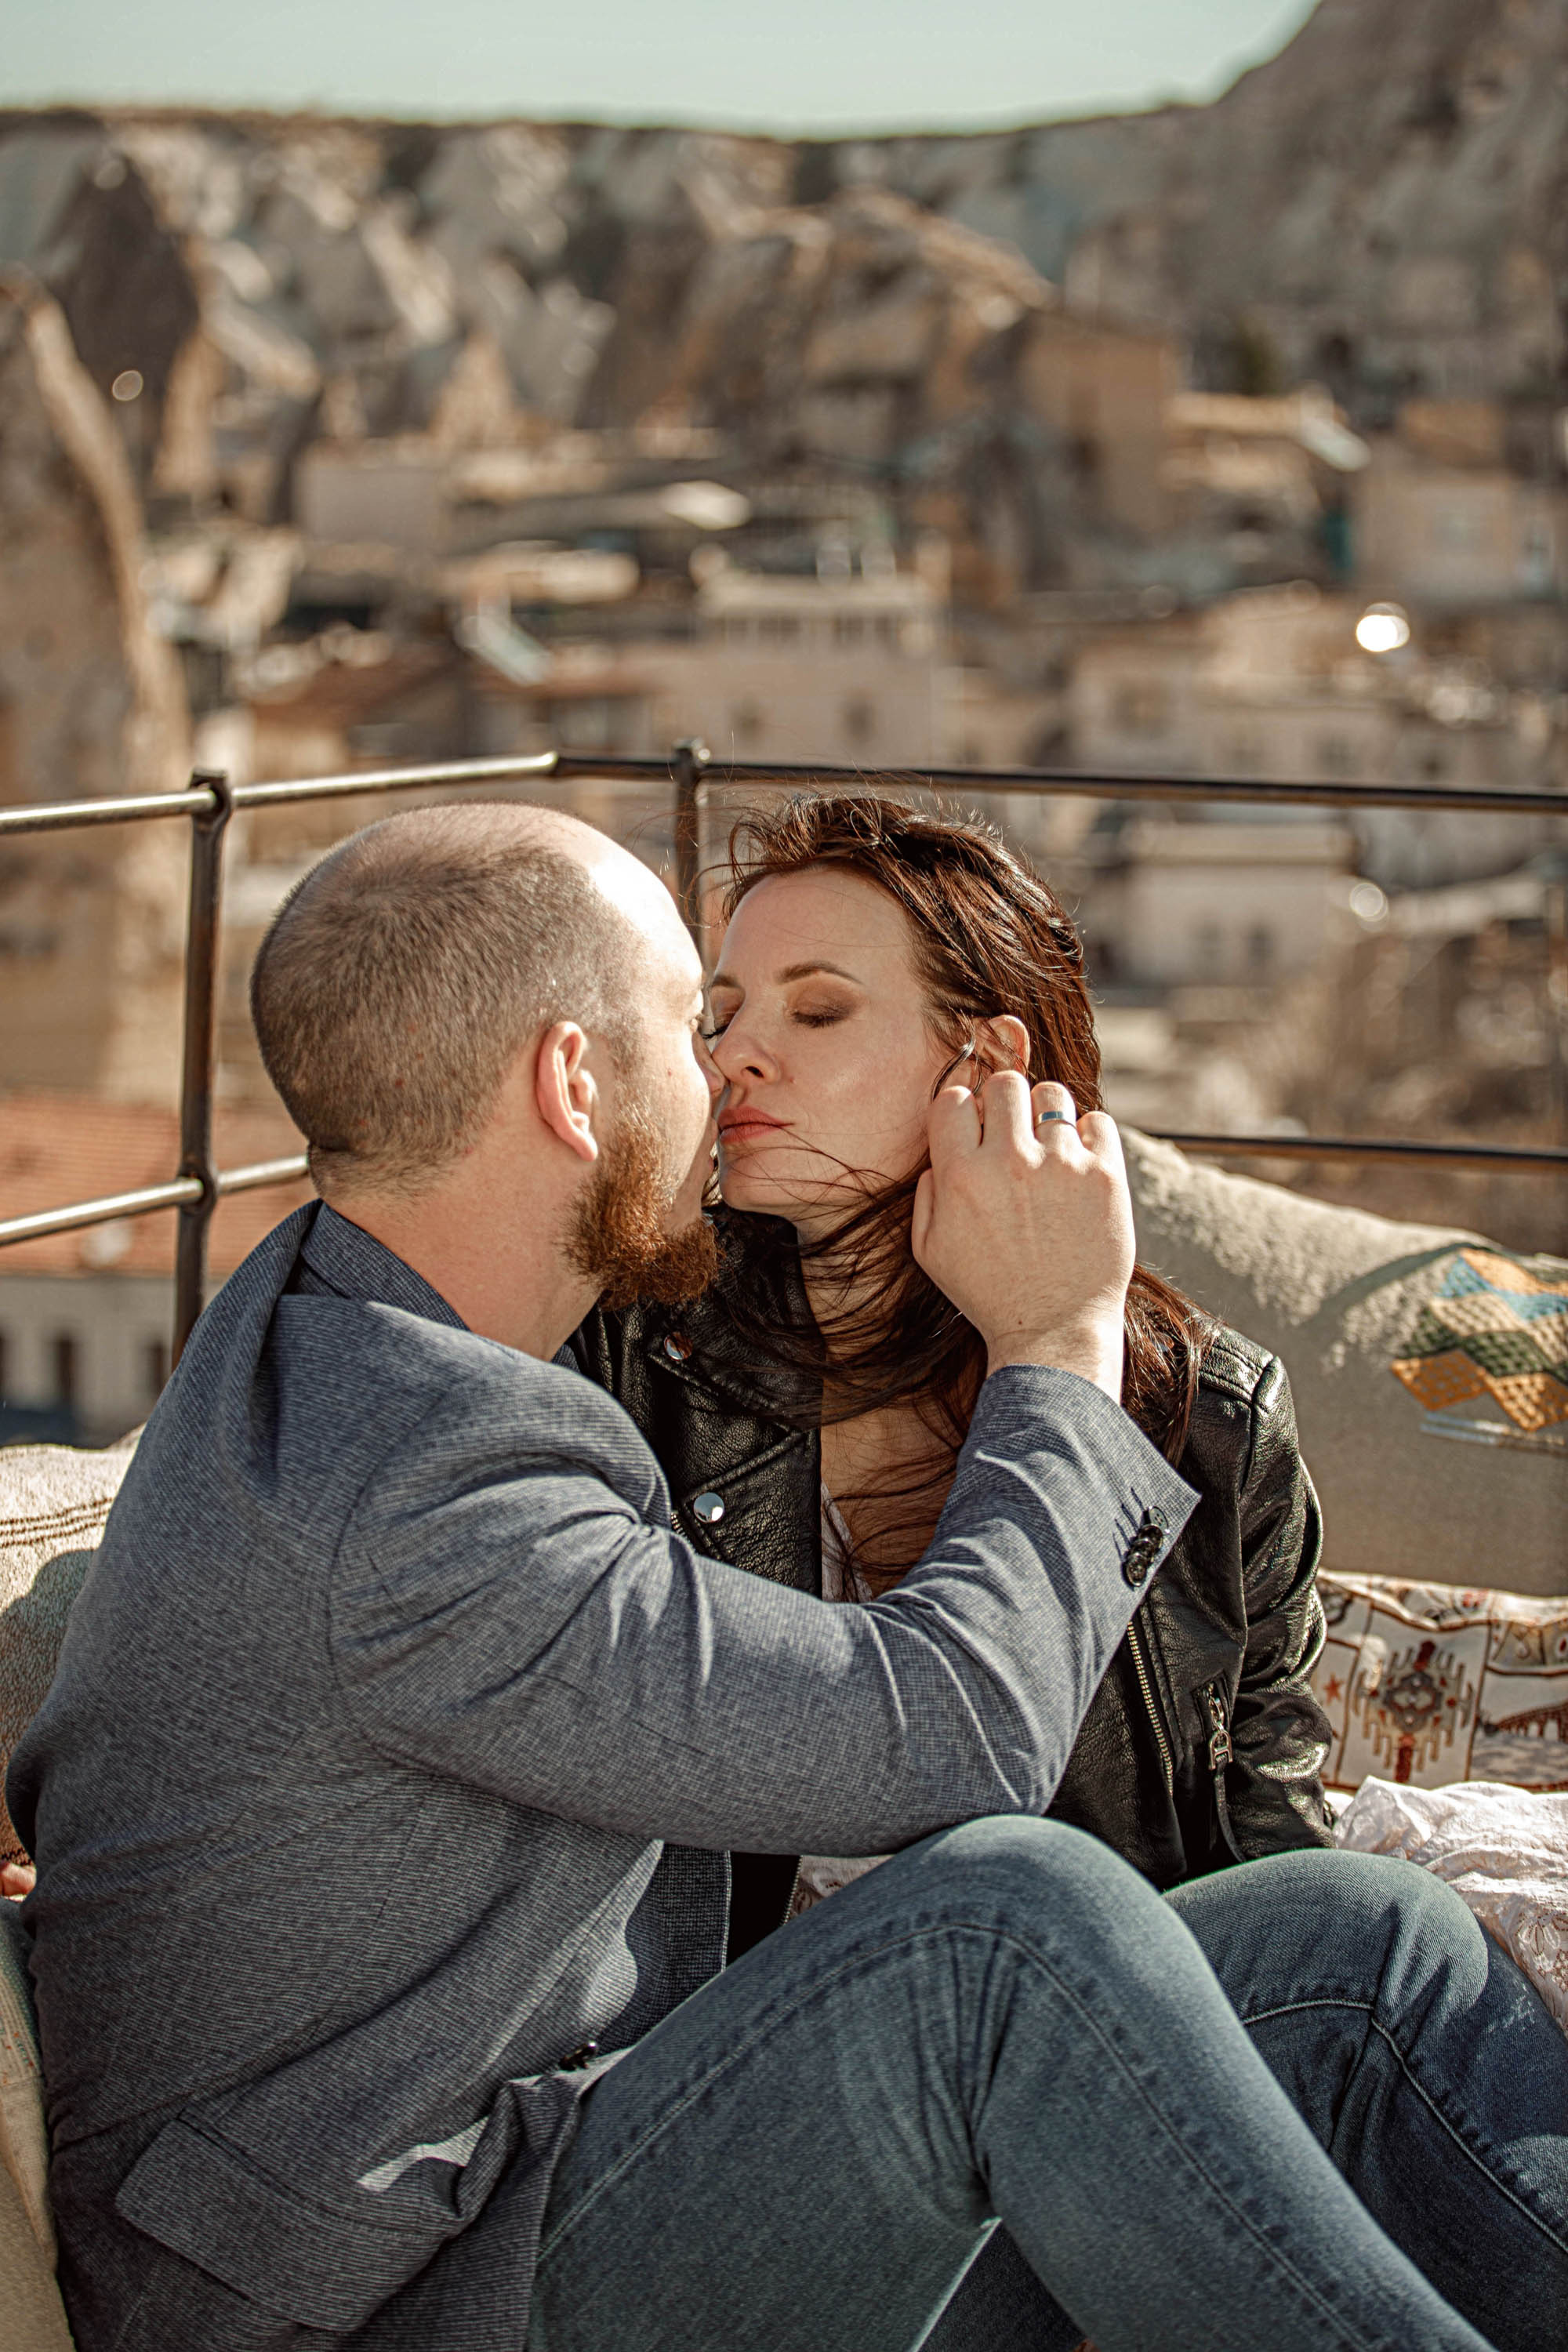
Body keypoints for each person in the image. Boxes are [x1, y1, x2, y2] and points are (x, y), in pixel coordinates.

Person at [6, 801, 1563, 2352]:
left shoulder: (347, 1332)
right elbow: (948, 1745)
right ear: (574, 1083)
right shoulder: (423, 1470)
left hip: (555, 2169)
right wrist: (1052, 1349)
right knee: (1001, 1925)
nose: (729, 1071)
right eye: (696, 1023)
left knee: (1368, 1944)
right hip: (379, 2295)